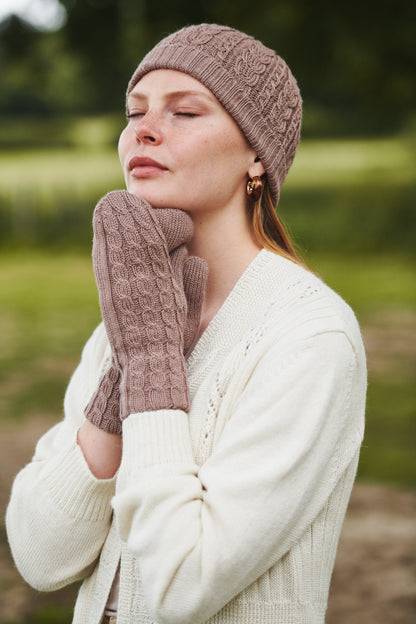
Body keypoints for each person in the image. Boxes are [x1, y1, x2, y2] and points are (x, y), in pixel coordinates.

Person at [6, 23, 367, 624]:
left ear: (257, 154)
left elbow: (181, 588)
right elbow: (41, 557)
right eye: (135, 110)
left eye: (186, 112)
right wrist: (129, 363)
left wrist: (149, 367)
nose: (143, 130)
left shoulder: (309, 335)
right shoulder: (132, 314)